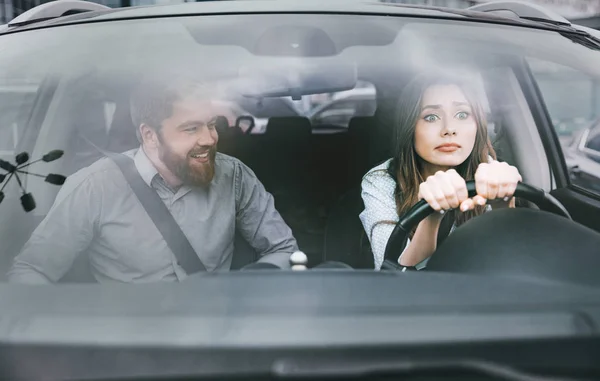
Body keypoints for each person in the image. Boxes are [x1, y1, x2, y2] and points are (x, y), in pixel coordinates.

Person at [8, 74, 299, 283]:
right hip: (130, 353)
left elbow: (283, 250)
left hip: (216, 338)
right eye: (191, 129)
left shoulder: (233, 176)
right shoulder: (94, 187)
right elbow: (33, 270)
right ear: (150, 136)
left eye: (212, 124)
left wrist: (255, 285)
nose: (210, 138)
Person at [360, 73, 522, 270]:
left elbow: (508, 265)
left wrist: (503, 206)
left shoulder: (490, 172)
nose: (449, 129)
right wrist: (431, 215)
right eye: (431, 117)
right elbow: (391, 273)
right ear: (410, 127)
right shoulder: (382, 180)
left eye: (462, 115)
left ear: (478, 124)